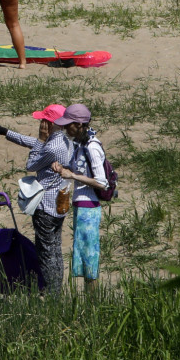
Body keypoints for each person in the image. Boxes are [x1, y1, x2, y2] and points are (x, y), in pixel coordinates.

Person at [0, 104, 75, 293]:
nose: (41, 123)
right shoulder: (65, 140)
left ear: (51, 123)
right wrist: (7, 132)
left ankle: (52, 294)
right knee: (55, 250)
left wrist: (41, 139)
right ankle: (56, 292)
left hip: (46, 207)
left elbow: (32, 163)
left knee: (46, 254)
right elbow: (36, 144)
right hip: (60, 204)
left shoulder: (51, 147)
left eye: (43, 120)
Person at [47, 104, 108, 293]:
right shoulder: (80, 144)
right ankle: (91, 301)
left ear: (80, 124)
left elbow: (102, 182)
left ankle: (94, 302)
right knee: (83, 256)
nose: (66, 128)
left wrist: (72, 175)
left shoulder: (92, 146)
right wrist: (63, 169)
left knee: (89, 258)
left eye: (69, 125)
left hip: (89, 208)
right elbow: (80, 170)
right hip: (81, 207)